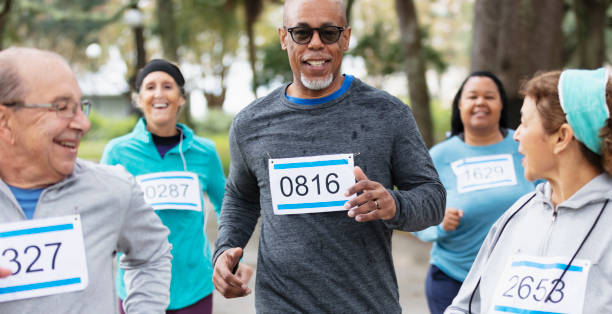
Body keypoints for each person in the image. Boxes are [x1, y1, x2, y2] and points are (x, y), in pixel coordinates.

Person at [211, 0, 445, 312]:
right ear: (284, 38)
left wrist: (394, 204)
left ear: (346, 38)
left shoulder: (388, 114)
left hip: (367, 305)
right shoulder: (251, 123)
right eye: (302, 33)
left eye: (329, 33)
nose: (316, 44)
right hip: (281, 305)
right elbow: (241, 197)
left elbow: (433, 200)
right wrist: (225, 251)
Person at [0, 47, 172, 313]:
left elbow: (153, 253)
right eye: (62, 108)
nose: (83, 123)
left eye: (81, 107)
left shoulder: (115, 189)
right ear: (5, 120)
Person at [446, 68, 612, 313]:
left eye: (524, 123)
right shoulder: (517, 214)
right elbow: (466, 308)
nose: (517, 136)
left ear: (562, 137)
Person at [101, 59, 252, 314]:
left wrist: (231, 256)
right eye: (150, 87)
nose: (158, 94)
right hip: (137, 289)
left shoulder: (204, 152)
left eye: (167, 86)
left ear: (181, 98)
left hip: (193, 287)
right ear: (139, 99)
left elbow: (227, 206)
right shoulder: (117, 152)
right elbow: (101, 215)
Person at [413, 71, 537, 314]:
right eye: (472, 97)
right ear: (460, 105)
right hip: (453, 278)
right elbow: (415, 213)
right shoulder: (440, 156)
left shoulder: (524, 144)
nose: (480, 102)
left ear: (501, 104)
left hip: (516, 278)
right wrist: (438, 221)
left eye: (489, 97)